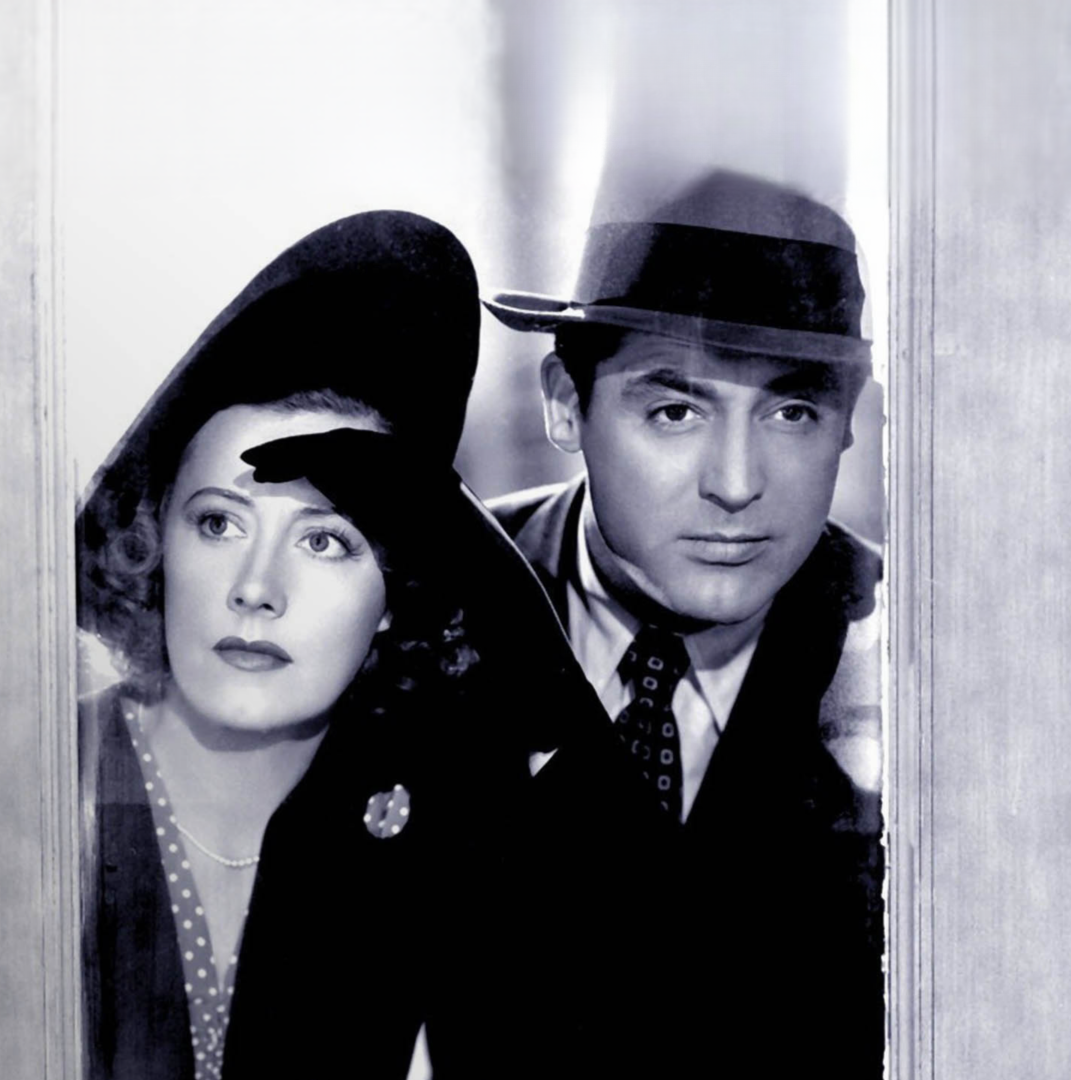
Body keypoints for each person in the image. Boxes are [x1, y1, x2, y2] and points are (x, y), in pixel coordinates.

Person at [75, 211, 587, 1079]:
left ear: (395, 591)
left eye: (325, 541)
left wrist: (514, 616)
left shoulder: (435, 810)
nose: (256, 588)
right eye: (218, 523)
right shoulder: (48, 773)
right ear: (158, 540)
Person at [481, 169, 884, 1077]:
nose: (736, 484)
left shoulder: (917, 668)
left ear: (847, 425)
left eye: (793, 411)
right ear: (565, 402)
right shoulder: (423, 609)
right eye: (675, 410)